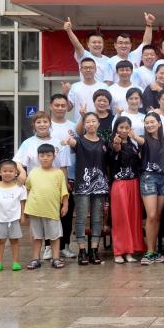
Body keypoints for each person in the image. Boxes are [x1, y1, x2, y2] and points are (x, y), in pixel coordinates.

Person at [64, 112, 109, 266]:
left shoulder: (104, 142)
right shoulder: (79, 141)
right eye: (87, 121)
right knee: (81, 218)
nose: (91, 124)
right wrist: (68, 141)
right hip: (82, 185)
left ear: (98, 124)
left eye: (93, 121)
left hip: (100, 185)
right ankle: (82, 250)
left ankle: (94, 250)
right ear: (83, 125)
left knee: (97, 218)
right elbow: (71, 142)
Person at [133, 112, 164, 265]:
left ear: (159, 123)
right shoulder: (144, 139)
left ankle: (154, 251)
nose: (149, 125)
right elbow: (140, 141)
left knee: (157, 216)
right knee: (151, 215)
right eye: (146, 122)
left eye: (152, 122)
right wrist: (133, 136)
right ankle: (149, 252)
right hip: (149, 178)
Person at [23, 144, 69, 270]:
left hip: (52, 210)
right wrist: (25, 208)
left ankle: (56, 258)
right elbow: (28, 189)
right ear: (38, 157)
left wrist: (65, 205)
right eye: (42, 155)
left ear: (54, 156)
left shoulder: (59, 173)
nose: (45, 158)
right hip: (35, 210)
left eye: (48, 155)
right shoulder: (33, 172)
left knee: (55, 236)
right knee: (36, 236)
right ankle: (35, 259)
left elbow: (64, 191)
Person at [109, 116, 144, 264]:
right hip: (120, 184)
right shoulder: (112, 143)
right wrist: (117, 145)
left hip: (134, 184)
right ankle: (119, 251)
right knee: (120, 219)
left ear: (130, 129)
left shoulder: (133, 145)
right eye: (121, 127)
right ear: (116, 128)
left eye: (126, 128)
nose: (124, 130)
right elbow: (115, 153)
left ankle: (129, 251)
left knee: (132, 218)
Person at [48, 94, 77, 260]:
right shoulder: (46, 125)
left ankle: (65, 245)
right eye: (57, 105)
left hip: (69, 176)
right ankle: (48, 246)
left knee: (67, 211)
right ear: (51, 106)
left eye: (63, 105)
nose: (60, 108)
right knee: (49, 213)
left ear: (67, 107)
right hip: (48, 176)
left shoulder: (73, 126)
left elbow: (77, 149)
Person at [0, 160, 27, 272]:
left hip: (14, 218)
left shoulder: (19, 187)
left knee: (14, 240)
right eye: (5, 171)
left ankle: (16, 262)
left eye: (11, 171)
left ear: (16, 173)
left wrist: (23, 215)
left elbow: (22, 202)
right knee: (1, 241)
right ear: (0, 172)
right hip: (0, 219)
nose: (7, 173)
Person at [63, 17, 112, 84]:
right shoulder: (84, 55)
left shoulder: (109, 60)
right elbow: (77, 44)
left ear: (103, 44)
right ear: (88, 44)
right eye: (94, 42)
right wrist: (69, 31)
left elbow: (108, 80)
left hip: (102, 90)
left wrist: (103, 89)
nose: (97, 44)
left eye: (99, 42)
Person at [106, 13, 155, 78]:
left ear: (130, 45)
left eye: (126, 43)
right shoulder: (110, 62)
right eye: (120, 43)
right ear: (115, 45)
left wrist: (149, 24)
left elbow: (146, 42)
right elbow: (108, 82)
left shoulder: (135, 55)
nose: (124, 46)